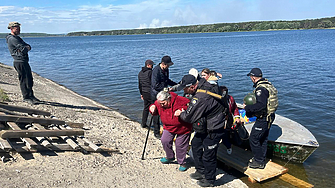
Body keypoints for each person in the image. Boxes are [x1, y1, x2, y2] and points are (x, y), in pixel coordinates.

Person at [174, 74, 226, 187]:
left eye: (185, 88)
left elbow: (188, 117)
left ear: (192, 87)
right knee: (196, 144)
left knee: (209, 154)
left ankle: (210, 180)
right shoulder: (204, 84)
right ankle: (201, 171)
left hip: (214, 127)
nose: (184, 91)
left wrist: (180, 114)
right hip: (206, 124)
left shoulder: (200, 96)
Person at [244, 68, 278, 169]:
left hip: (264, 118)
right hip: (270, 116)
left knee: (254, 139)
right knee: (263, 139)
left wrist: (247, 108)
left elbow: (261, 105)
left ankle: (258, 161)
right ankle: (261, 159)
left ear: (253, 77)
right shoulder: (267, 84)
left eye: (250, 77)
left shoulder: (260, 89)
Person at [149, 91, 192, 171]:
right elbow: (155, 110)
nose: (161, 105)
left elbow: (191, 108)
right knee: (165, 140)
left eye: (163, 103)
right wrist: (152, 108)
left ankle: (182, 162)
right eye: (160, 103)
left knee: (180, 146)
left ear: (168, 99)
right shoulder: (159, 102)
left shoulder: (181, 100)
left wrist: (182, 111)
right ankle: (170, 157)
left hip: (183, 128)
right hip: (168, 127)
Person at [6, 22, 40, 104]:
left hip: (24, 61)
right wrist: (25, 48)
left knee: (29, 79)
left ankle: (31, 95)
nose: (19, 30)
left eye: (19, 28)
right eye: (17, 29)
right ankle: (26, 97)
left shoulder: (17, 38)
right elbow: (24, 49)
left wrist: (25, 47)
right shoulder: (12, 39)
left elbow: (28, 46)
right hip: (19, 61)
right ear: (11, 29)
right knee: (24, 80)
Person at [151, 55, 177, 139]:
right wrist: (165, 89)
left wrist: (176, 84)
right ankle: (156, 132)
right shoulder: (156, 71)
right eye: (167, 65)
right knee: (156, 113)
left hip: (164, 93)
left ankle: (167, 129)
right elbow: (155, 85)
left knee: (166, 111)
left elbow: (167, 80)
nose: (168, 66)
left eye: (169, 65)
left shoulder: (166, 70)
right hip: (156, 94)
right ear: (163, 63)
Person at [219, 86, 241, 155]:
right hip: (218, 120)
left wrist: (237, 117)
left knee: (226, 134)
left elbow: (234, 108)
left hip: (228, 120)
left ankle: (228, 146)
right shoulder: (215, 99)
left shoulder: (230, 99)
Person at [138, 59, 155, 128]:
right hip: (150, 92)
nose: (153, 66)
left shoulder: (140, 73)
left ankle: (143, 123)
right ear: (148, 65)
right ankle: (155, 124)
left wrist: (141, 93)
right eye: (152, 65)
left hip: (144, 92)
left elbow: (140, 85)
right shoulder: (150, 72)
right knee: (154, 107)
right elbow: (153, 83)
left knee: (146, 108)